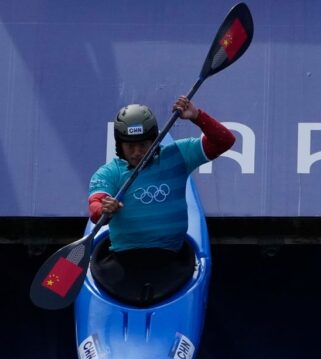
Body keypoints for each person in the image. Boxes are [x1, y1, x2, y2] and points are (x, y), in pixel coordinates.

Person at [87, 98, 235, 305]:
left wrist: (197, 116)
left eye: (143, 144)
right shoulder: (109, 173)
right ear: (120, 146)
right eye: (130, 146)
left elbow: (225, 141)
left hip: (171, 262)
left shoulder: (178, 156)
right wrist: (104, 209)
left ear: (155, 141)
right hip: (123, 265)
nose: (137, 152)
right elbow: (95, 207)